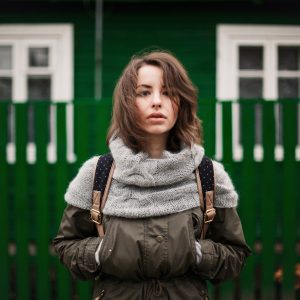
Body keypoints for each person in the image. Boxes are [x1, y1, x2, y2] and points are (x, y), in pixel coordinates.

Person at [53, 50, 251, 299]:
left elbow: (236, 254)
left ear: (182, 102)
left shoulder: (208, 175)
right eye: (144, 92)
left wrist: (195, 251)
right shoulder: (97, 174)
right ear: (127, 102)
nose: (157, 101)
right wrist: (104, 251)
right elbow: (66, 245)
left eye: (168, 92)